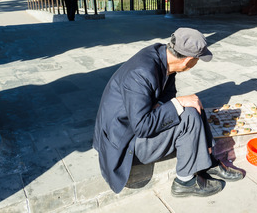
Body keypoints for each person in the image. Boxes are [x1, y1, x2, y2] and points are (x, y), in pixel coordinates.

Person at [93, 28, 243, 197]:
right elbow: (142, 127)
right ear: (188, 61)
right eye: (198, 59)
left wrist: (166, 105)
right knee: (188, 115)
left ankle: (208, 161)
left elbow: (168, 94)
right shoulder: (140, 73)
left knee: (193, 104)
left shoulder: (164, 58)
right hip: (125, 143)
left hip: (135, 125)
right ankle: (184, 181)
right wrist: (177, 104)